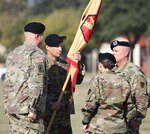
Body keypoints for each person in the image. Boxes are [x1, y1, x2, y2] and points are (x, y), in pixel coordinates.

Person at [3, 22, 47, 134]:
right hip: (27, 110)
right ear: (38, 36)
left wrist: (7, 106)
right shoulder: (37, 54)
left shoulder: (13, 53)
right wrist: (33, 109)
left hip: (13, 108)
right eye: (42, 36)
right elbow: (36, 83)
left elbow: (7, 82)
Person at [44, 34, 85, 134]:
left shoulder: (65, 64)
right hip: (48, 114)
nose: (60, 49)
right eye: (56, 46)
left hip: (64, 115)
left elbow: (77, 81)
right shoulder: (42, 65)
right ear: (47, 47)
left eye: (60, 46)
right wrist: (50, 104)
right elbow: (37, 90)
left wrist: (78, 63)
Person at [82, 52, 131, 134]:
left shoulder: (97, 80)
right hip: (120, 127)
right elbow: (130, 105)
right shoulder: (123, 80)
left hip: (100, 128)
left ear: (100, 65)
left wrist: (85, 121)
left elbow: (91, 104)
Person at [110, 40, 149, 134]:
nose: (113, 53)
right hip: (112, 121)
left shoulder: (135, 73)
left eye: (116, 51)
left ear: (126, 53)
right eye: (113, 51)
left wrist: (134, 123)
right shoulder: (113, 70)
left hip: (127, 123)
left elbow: (142, 102)